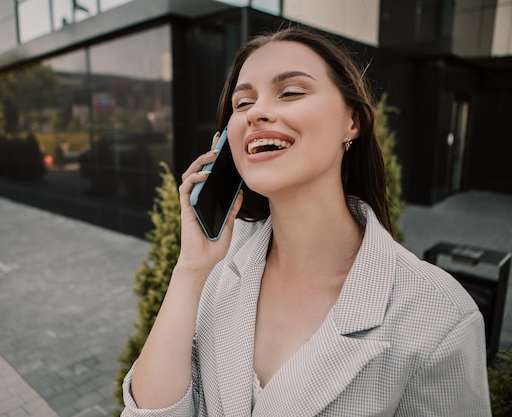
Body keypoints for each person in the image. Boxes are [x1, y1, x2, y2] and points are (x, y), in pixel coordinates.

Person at [121, 25, 491, 416]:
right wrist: (190, 270)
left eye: (291, 91)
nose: (257, 112)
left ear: (353, 122)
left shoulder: (439, 315)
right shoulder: (221, 266)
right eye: (242, 103)